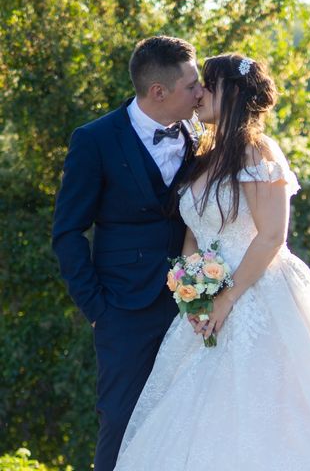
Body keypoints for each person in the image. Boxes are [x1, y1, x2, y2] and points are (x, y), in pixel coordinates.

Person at [114, 53, 310, 470]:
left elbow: (272, 236)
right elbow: (192, 233)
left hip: (259, 292)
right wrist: (193, 291)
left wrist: (226, 299)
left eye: (210, 82)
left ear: (236, 93)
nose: (201, 92)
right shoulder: (203, 155)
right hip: (207, 305)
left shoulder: (257, 151)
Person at [51, 36, 204, 471]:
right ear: (159, 91)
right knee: (120, 421)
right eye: (192, 85)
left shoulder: (200, 136)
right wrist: (98, 308)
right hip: (123, 308)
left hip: (193, 303)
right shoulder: (95, 140)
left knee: (190, 418)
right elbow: (67, 232)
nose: (201, 92)